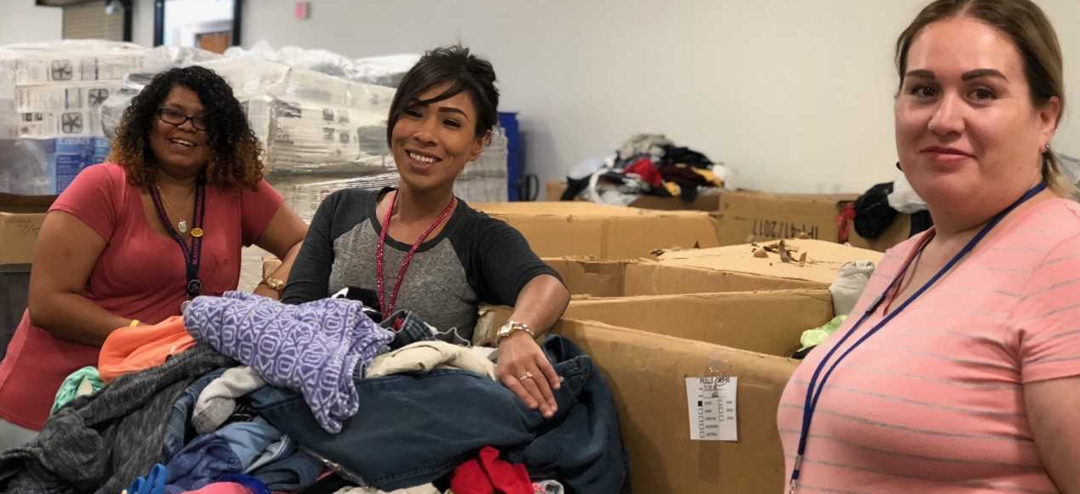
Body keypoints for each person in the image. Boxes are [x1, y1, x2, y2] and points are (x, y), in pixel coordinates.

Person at [778, 0, 1080, 492]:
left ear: (1045, 117)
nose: (944, 119)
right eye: (923, 90)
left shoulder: (1065, 258)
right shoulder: (906, 258)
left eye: (981, 93)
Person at [0, 66, 308, 449]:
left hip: (151, 400)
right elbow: (49, 303)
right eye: (173, 113)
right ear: (148, 119)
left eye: (204, 120)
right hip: (56, 402)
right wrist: (148, 339)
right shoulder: (103, 186)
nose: (186, 127)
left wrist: (268, 291)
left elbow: (308, 244)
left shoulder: (236, 190)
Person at [282, 46, 571, 419]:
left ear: (479, 144)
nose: (425, 134)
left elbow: (547, 284)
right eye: (413, 113)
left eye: (450, 123)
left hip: (414, 417)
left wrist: (516, 333)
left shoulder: (478, 237)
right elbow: (295, 314)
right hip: (318, 402)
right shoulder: (341, 210)